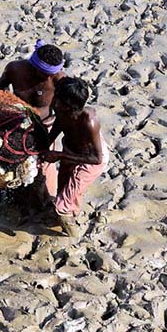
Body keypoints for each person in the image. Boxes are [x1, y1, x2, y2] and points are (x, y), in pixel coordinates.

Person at [0, 40, 66, 200]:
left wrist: (44, 125)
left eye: (50, 74)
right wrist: (8, 109)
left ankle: (47, 199)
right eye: (43, 73)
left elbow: (62, 113)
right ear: (33, 65)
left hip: (45, 127)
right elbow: (1, 88)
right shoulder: (14, 69)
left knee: (44, 168)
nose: (48, 77)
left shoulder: (59, 79)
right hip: (16, 124)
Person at [41, 77, 108, 238]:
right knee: (65, 190)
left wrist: (59, 155)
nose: (54, 102)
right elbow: (58, 125)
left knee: (62, 206)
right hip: (70, 150)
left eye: (58, 100)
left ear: (70, 106)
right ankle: (72, 215)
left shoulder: (89, 122)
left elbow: (97, 159)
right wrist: (45, 146)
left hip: (88, 161)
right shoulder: (61, 109)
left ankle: (74, 238)